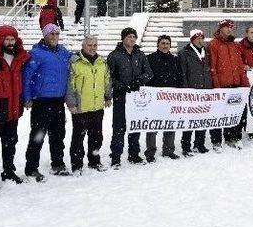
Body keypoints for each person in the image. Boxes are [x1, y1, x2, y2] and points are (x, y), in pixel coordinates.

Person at [23, 23, 72, 181]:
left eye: (57, 34)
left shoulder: (63, 52)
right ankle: (31, 168)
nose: (54, 37)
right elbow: (27, 77)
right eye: (51, 34)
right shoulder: (36, 53)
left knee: (58, 134)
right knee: (38, 136)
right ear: (45, 35)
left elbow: (76, 58)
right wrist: (27, 97)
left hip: (58, 100)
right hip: (41, 101)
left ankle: (57, 163)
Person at [0, 25, 30, 191]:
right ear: (0, 41)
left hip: (14, 106)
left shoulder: (20, 58)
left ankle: (9, 171)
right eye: (7, 39)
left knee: (11, 142)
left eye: (13, 39)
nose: (10, 43)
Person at [107, 27, 154, 167]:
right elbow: (109, 77)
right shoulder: (114, 55)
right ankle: (116, 156)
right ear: (123, 38)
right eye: (129, 37)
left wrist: (139, 81)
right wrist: (120, 85)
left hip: (136, 97)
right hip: (121, 96)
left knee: (135, 125)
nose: (132, 39)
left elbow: (149, 73)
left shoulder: (140, 55)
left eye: (134, 36)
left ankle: (134, 154)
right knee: (119, 127)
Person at [66, 35, 112, 174]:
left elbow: (107, 81)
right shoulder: (75, 62)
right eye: (89, 45)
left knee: (96, 137)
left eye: (94, 45)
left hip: (97, 106)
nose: (92, 48)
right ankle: (77, 164)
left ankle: (94, 161)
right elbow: (70, 85)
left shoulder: (102, 62)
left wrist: (108, 96)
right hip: (81, 108)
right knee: (78, 137)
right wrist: (72, 103)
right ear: (83, 46)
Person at [209, 19, 249, 150]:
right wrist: (217, 86)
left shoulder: (234, 45)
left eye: (231, 27)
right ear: (221, 28)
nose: (229, 29)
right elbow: (213, 66)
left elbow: (239, 66)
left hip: (235, 84)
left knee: (235, 113)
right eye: (227, 27)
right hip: (222, 85)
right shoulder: (214, 44)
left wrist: (245, 84)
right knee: (219, 114)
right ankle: (216, 141)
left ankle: (233, 137)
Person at [146, 35, 183, 161]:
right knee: (152, 126)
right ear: (158, 45)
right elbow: (147, 76)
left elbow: (178, 77)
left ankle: (168, 150)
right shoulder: (150, 58)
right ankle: (150, 152)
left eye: (167, 43)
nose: (165, 45)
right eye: (162, 43)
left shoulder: (175, 59)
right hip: (155, 98)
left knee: (170, 125)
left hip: (170, 98)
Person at [179, 29, 213, 155]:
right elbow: (182, 72)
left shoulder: (206, 52)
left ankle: (200, 144)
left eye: (201, 38)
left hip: (205, 89)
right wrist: (185, 89)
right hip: (192, 90)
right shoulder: (184, 52)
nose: (200, 40)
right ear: (192, 39)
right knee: (190, 120)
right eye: (197, 38)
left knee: (202, 119)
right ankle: (186, 146)